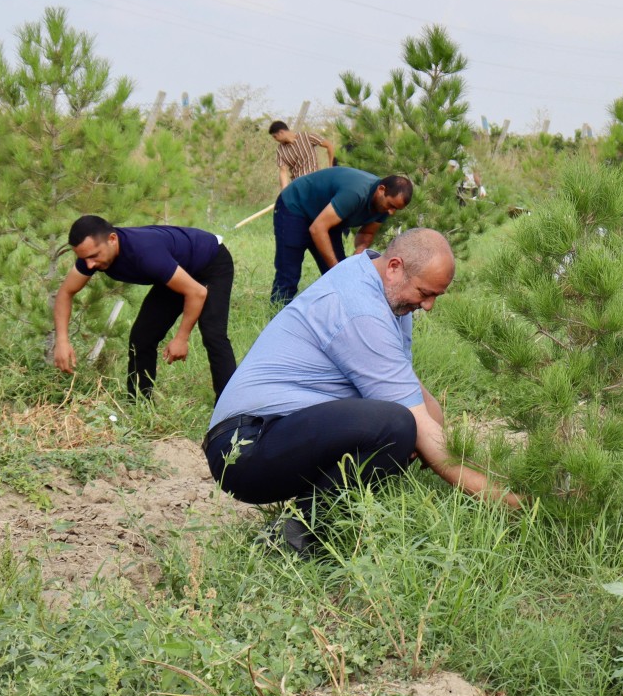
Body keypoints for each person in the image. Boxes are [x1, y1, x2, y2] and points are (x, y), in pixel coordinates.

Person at [204, 229, 520, 555]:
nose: (429, 306)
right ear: (395, 266)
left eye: (436, 296)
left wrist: (433, 427)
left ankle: (305, 525)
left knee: (404, 423)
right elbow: (416, 425)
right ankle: (293, 539)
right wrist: (503, 499)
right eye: (426, 293)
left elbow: (405, 384)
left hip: (277, 432)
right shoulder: (360, 308)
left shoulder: (382, 286)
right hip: (242, 449)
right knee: (396, 426)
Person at [53, 215, 237, 401]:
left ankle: (231, 407)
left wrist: (181, 338)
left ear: (112, 239)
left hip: (211, 264)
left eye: (94, 256)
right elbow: (65, 293)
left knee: (213, 334)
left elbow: (197, 293)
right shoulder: (91, 256)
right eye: (83, 258)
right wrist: (61, 340)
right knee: (142, 338)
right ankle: (139, 403)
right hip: (174, 271)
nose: (90, 265)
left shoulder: (145, 252)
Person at [271, 166, 413, 305]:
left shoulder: (383, 207)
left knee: (341, 276)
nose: (391, 212)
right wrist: (336, 269)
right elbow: (318, 229)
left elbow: (367, 232)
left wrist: (360, 250)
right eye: (391, 205)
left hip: (328, 220)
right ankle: (277, 315)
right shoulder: (355, 193)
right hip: (296, 206)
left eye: (396, 209)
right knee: (289, 271)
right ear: (381, 190)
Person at [269, 121, 336, 191]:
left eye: (275, 137)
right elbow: (283, 171)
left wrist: (331, 166)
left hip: (316, 181)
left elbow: (329, 146)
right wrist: (284, 191)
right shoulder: (280, 150)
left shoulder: (307, 137)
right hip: (299, 186)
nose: (275, 139)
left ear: (281, 132)